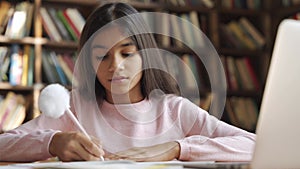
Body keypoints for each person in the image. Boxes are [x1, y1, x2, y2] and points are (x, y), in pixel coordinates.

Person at [0, 2, 255, 162]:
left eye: (127, 52)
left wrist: (177, 148)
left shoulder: (174, 110)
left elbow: (253, 145)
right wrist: (52, 142)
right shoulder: (75, 107)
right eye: (101, 55)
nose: (115, 66)